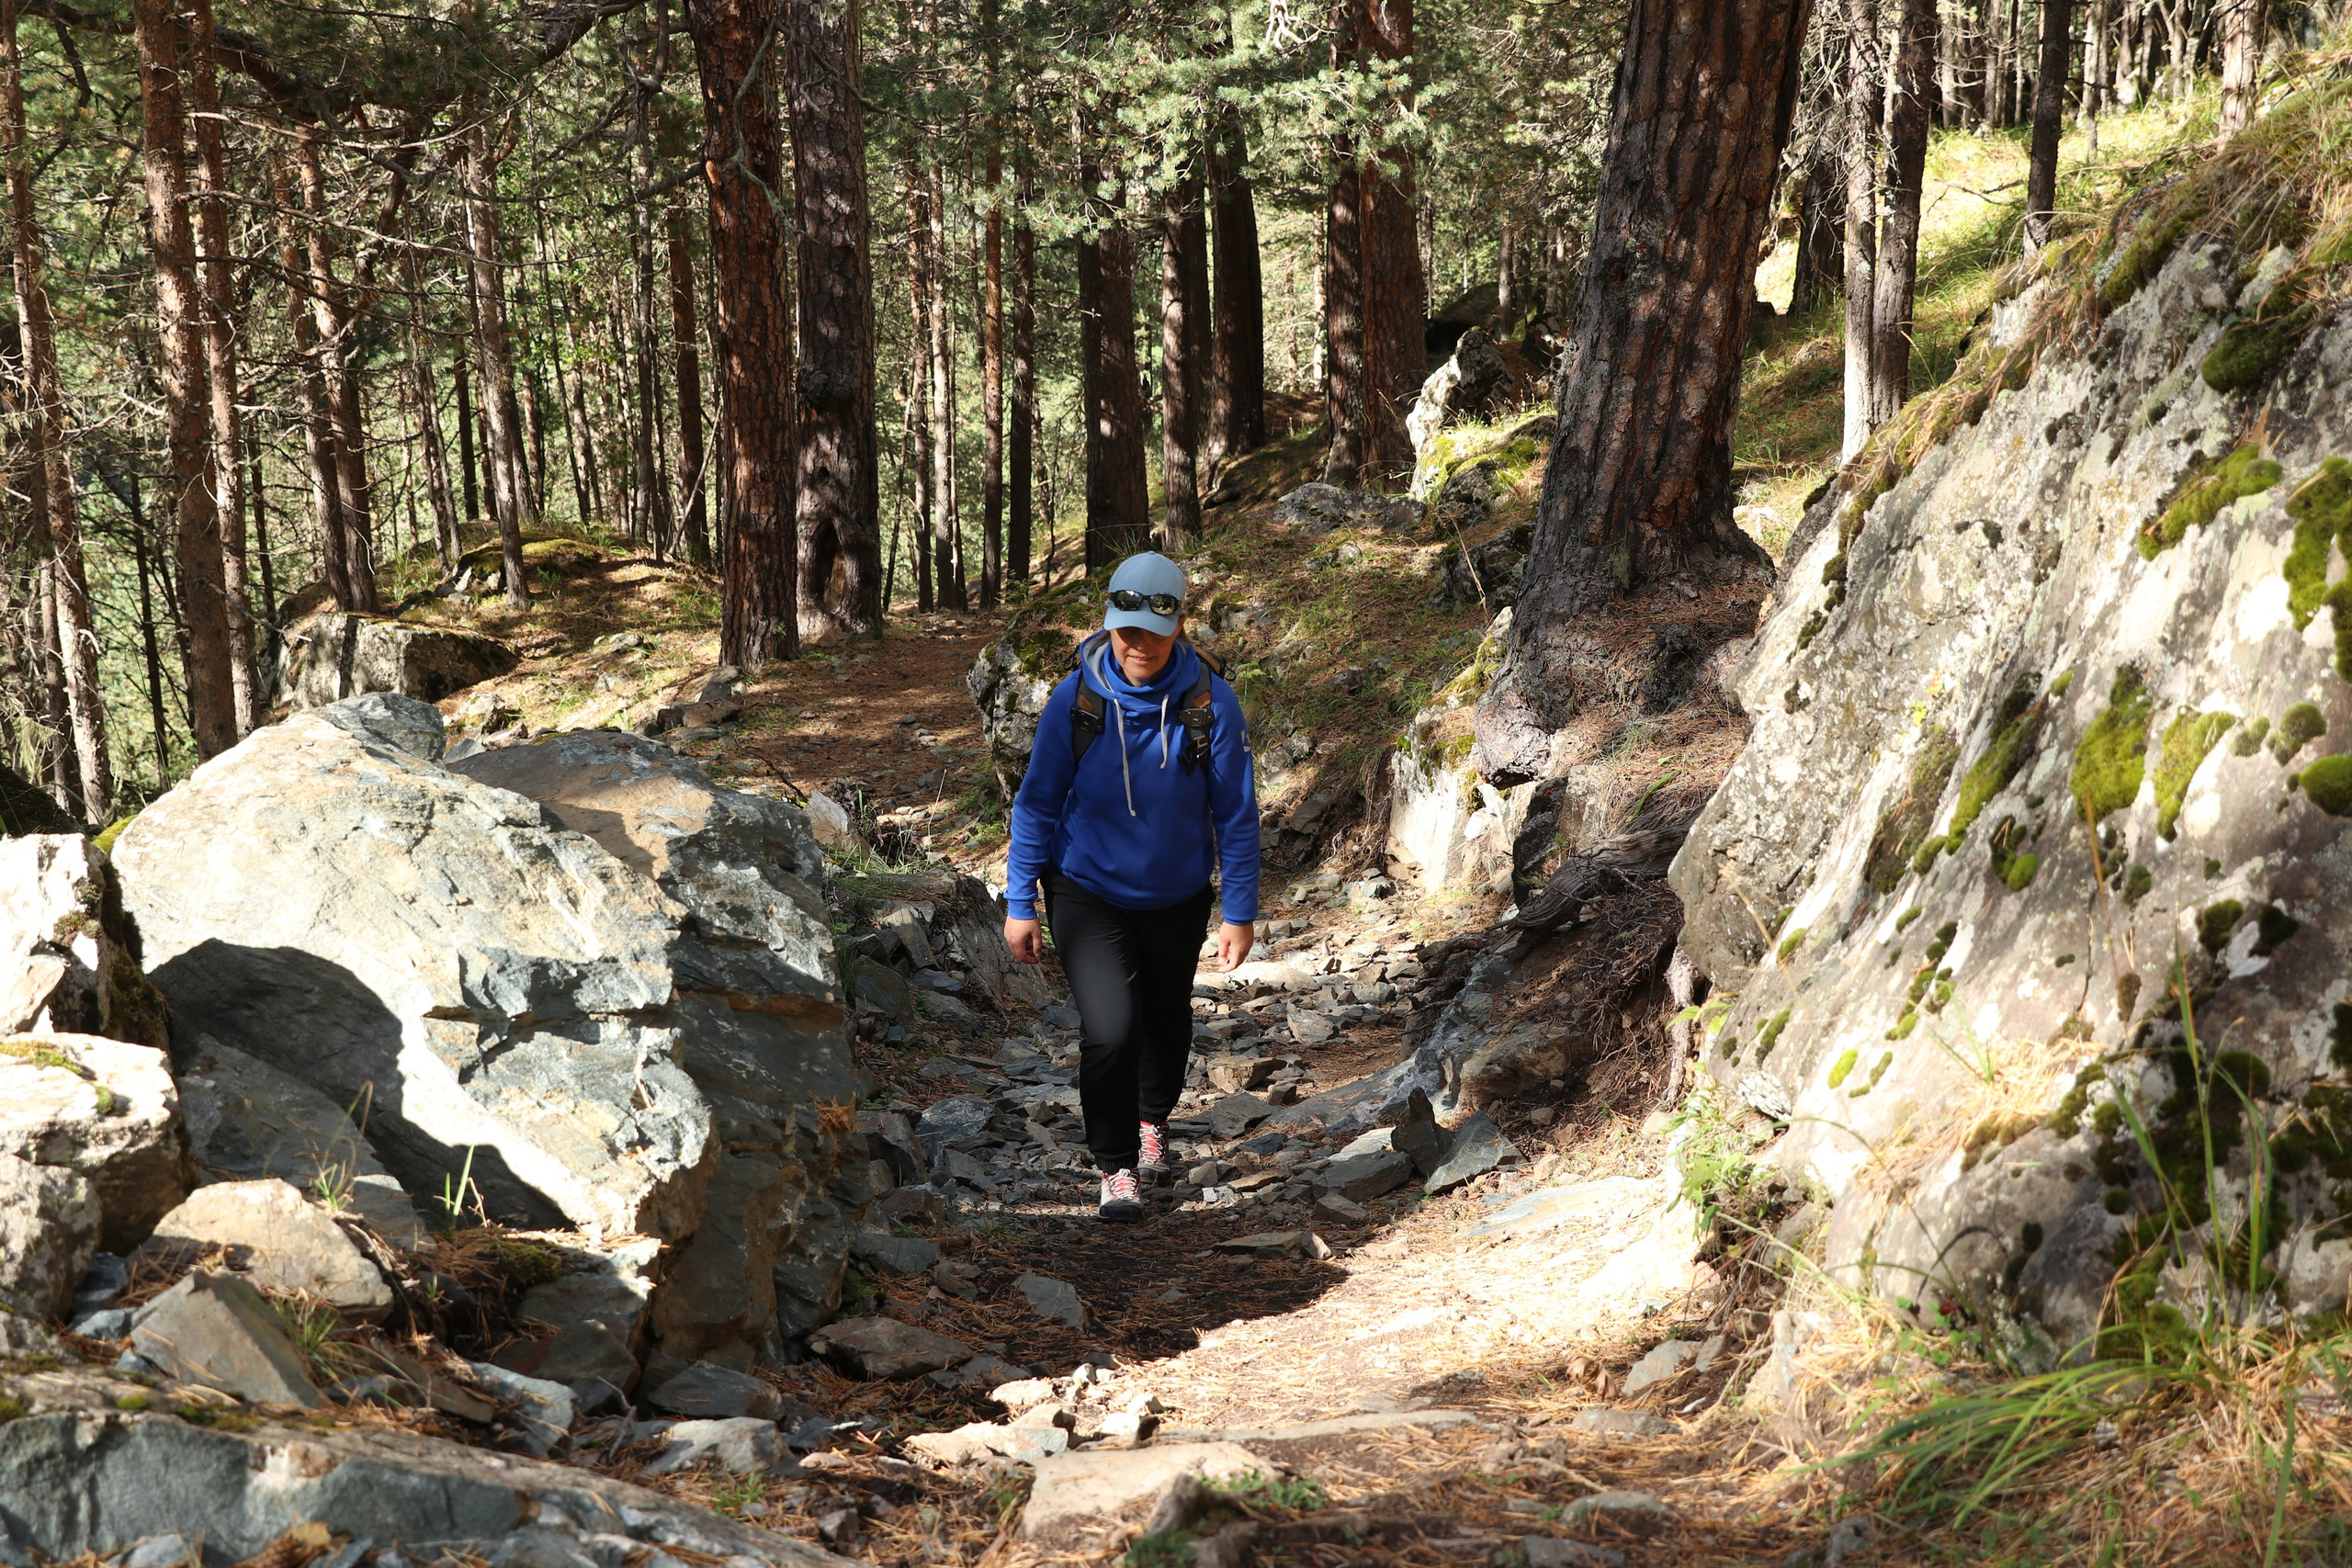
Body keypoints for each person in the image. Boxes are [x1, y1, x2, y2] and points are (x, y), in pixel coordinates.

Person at [1002, 551, 1261, 1222]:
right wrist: (1020, 900)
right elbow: (1036, 802)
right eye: (1125, 628)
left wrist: (1240, 911)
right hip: (1086, 889)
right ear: (1110, 624)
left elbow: (1234, 813)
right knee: (1111, 1030)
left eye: (1151, 628)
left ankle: (1153, 1118)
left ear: (1177, 624)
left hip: (1176, 895)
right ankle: (1116, 1166)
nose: (1136, 643)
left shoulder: (1210, 703)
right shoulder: (1077, 699)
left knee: (1166, 1020)